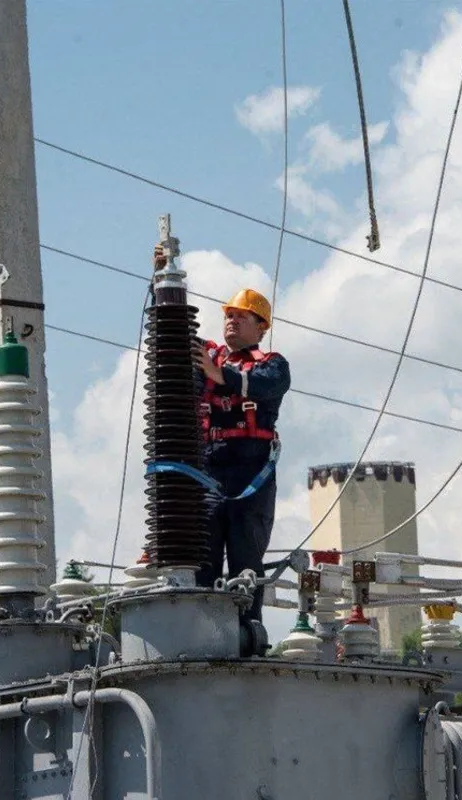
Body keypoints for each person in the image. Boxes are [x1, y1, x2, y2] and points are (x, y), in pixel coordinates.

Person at [152, 246, 291, 624]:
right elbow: (169, 337)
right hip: (209, 470)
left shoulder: (272, 365)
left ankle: (248, 635)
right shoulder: (205, 357)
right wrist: (160, 278)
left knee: (246, 563)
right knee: (204, 559)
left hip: (252, 472)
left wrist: (222, 376)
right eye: (229, 315)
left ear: (261, 326)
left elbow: (266, 385)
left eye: (242, 317)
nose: (232, 321)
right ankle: (205, 634)